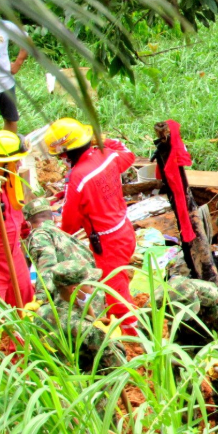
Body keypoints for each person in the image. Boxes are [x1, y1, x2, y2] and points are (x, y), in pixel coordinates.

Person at [47, 118, 139, 335]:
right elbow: (127, 153)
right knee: (120, 281)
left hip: (107, 243)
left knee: (115, 295)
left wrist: (54, 231)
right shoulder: (107, 155)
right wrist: (104, 140)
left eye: (61, 156)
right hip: (124, 229)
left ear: (68, 153)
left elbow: (69, 224)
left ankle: (135, 338)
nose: (62, 160)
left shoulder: (77, 177)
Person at [156, 266, 218, 434]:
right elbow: (144, 327)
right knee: (184, 385)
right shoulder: (160, 298)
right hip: (181, 338)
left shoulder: (211, 294)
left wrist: (213, 356)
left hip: (210, 336)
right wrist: (159, 350)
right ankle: (188, 432)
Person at [151, 120, 217, 283]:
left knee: (192, 232)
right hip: (181, 202)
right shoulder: (170, 152)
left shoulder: (173, 154)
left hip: (183, 202)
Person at [35, 260, 125, 374]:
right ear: (75, 290)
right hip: (81, 385)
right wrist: (112, 338)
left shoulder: (41, 311)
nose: (93, 288)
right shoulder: (84, 326)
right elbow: (117, 364)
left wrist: (89, 311)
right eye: (90, 285)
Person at [24, 196, 96, 304]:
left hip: (77, 297)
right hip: (91, 292)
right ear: (52, 217)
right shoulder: (63, 235)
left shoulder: (39, 236)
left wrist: (41, 297)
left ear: (28, 223)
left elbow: (47, 265)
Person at [0, 130, 31, 307]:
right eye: (16, 160)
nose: (20, 163)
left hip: (14, 256)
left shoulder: (10, 182)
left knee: (25, 303)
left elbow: (17, 215)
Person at [0, 7, 28, 133]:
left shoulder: (6, 27)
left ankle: (9, 149)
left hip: (5, 84)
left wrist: (18, 63)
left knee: (10, 119)